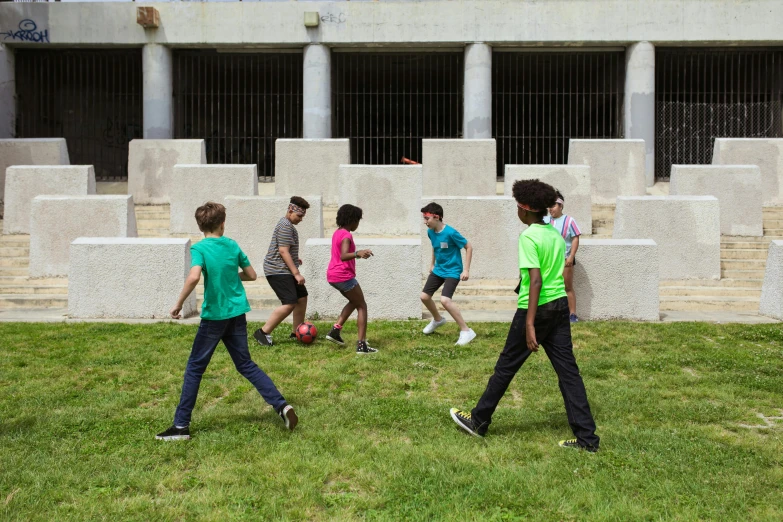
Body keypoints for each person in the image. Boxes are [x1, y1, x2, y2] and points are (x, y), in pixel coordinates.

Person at [448, 179, 599, 452]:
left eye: (517, 206)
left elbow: (536, 281)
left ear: (526, 209)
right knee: (569, 373)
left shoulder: (528, 237)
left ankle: (479, 420)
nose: (516, 211)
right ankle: (587, 439)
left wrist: (529, 323)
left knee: (506, 366)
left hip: (536, 309)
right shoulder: (553, 234)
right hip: (560, 307)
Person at [156, 202, 297, 441]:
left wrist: (178, 304)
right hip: (237, 314)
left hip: (214, 317)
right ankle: (282, 406)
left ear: (201, 226)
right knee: (245, 364)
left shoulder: (199, 249)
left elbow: (193, 276)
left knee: (194, 369)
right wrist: (233, 274)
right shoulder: (231, 245)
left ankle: (180, 426)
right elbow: (251, 275)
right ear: (223, 223)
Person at [253, 197, 310, 347]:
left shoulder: (288, 225)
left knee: (302, 297)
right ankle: (263, 333)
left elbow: (285, 250)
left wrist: (295, 259)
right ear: (291, 210)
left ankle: (296, 332)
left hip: (283, 268)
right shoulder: (285, 226)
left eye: (303, 216)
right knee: (290, 302)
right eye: (299, 216)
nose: (301, 219)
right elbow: (283, 251)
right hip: (277, 270)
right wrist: (296, 273)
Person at [419, 202, 476, 346]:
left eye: (427, 218)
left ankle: (466, 330)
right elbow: (435, 247)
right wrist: (432, 264)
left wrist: (466, 270)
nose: (425, 222)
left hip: (453, 270)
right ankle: (438, 319)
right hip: (439, 269)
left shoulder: (451, 233)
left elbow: (468, 246)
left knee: (445, 300)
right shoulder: (430, 232)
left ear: (436, 217)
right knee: (424, 297)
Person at [324, 204, 378, 354]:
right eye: (358, 220)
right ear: (352, 220)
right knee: (362, 305)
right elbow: (343, 255)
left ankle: (335, 331)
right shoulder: (347, 235)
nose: (358, 224)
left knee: (355, 301)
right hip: (343, 275)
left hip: (333, 275)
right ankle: (362, 345)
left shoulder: (337, 232)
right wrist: (358, 253)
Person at [545, 190, 581, 322]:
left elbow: (575, 238)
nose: (550, 209)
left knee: (567, 286)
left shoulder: (569, 220)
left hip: (565, 258)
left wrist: (571, 256)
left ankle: (572, 314)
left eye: (553, 205)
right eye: (549, 206)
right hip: (549, 260)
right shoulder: (545, 220)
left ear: (561, 206)